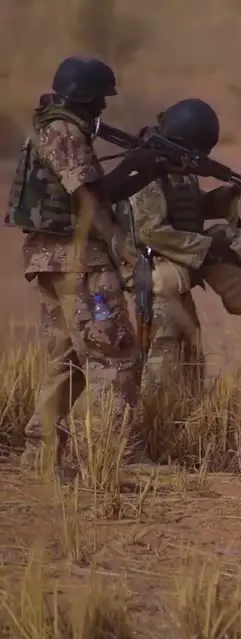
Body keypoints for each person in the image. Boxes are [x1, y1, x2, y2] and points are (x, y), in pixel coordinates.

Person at [5, 55, 172, 476]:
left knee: (69, 359)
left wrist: (143, 167)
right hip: (78, 263)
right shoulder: (64, 131)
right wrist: (141, 168)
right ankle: (122, 456)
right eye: (100, 98)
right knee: (113, 353)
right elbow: (90, 199)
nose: (102, 108)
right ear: (84, 95)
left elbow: (101, 191)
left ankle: (39, 455)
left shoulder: (52, 126)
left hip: (51, 261)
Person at [114, 98, 241, 402]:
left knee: (190, 357)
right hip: (153, 277)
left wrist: (228, 199)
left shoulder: (174, 162)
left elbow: (189, 208)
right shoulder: (146, 168)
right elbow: (152, 232)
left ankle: (183, 426)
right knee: (164, 356)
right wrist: (211, 246)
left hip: (175, 275)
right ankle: (150, 428)